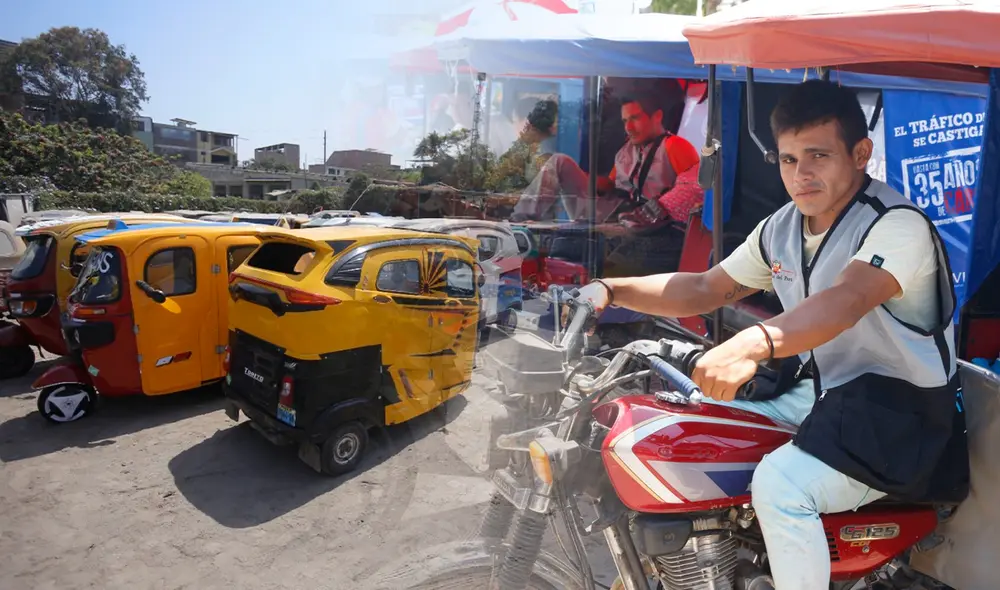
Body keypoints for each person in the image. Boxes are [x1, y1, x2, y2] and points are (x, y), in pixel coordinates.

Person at [572, 79, 968, 589]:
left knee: (782, 488)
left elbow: (847, 300)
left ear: (861, 154)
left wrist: (751, 343)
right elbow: (704, 287)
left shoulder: (897, 225)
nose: (801, 175)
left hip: (900, 418)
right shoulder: (782, 227)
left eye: (819, 156)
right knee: (688, 426)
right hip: (822, 396)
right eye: (788, 159)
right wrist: (610, 289)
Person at [511, 91, 700, 224]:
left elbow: (694, 192)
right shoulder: (626, 149)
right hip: (611, 209)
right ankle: (518, 222)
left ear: (657, 116)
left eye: (635, 118)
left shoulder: (675, 146)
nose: (628, 127)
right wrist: (576, 176)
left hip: (645, 218)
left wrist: (658, 211)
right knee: (559, 161)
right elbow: (610, 184)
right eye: (625, 121)